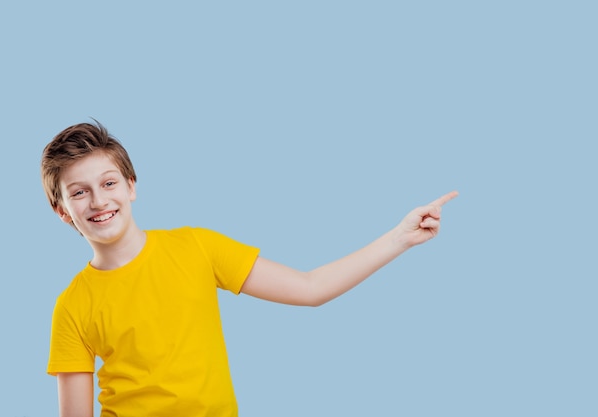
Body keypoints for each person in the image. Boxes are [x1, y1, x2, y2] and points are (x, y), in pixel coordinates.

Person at [41, 120, 458, 417]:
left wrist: (399, 237)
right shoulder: (73, 306)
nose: (98, 201)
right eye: (80, 192)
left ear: (132, 186)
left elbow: (310, 287)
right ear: (62, 211)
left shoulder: (197, 247)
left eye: (109, 183)